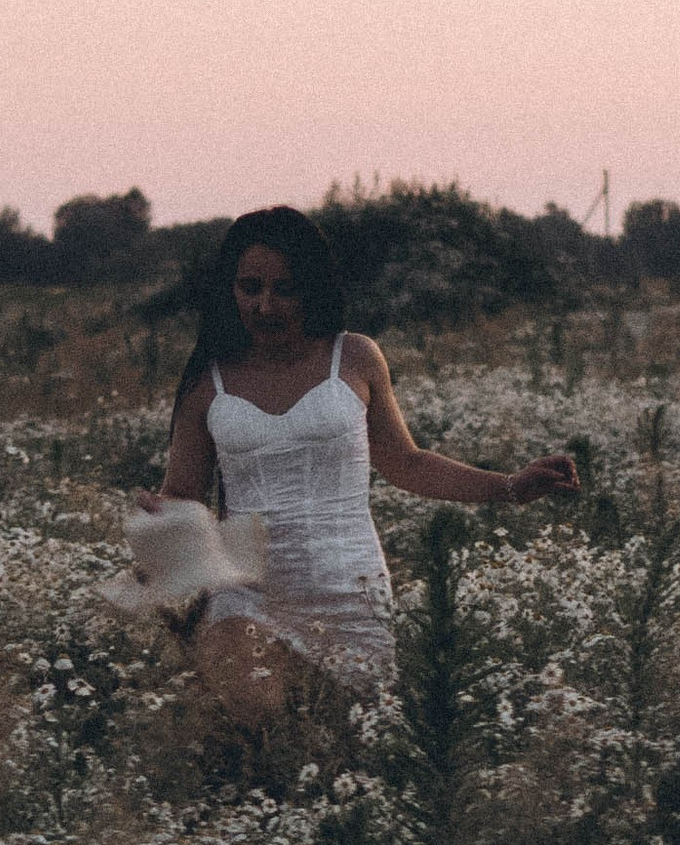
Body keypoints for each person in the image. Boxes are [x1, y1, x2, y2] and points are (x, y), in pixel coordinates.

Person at [142, 206, 578, 719]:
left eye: (285, 288)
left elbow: (407, 463)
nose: (265, 305)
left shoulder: (354, 357)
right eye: (250, 287)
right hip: (246, 596)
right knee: (256, 717)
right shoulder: (207, 379)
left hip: (350, 593)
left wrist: (510, 487)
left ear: (313, 287)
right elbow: (183, 493)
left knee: (341, 743)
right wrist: (159, 524)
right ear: (229, 288)